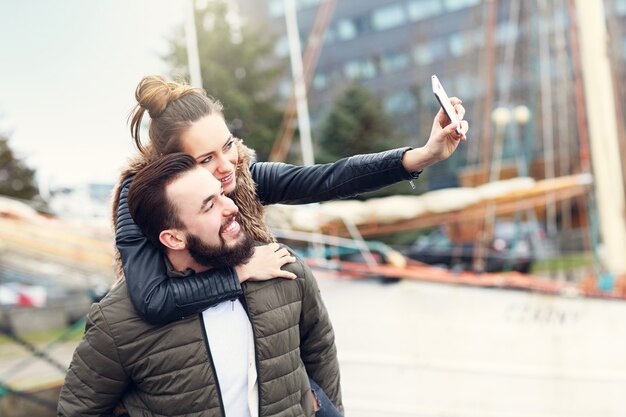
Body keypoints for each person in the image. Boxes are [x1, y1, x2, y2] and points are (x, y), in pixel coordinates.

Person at [114, 75, 469, 325]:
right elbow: (151, 299)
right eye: (206, 159)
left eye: (227, 146)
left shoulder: (243, 178)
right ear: (171, 165)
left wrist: (422, 156)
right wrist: (242, 271)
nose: (227, 166)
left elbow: (329, 178)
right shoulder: (140, 201)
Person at [58, 153, 342, 417]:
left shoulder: (282, 267)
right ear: (174, 239)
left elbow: (321, 354)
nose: (230, 207)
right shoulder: (117, 321)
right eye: (209, 206)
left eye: (221, 194)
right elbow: (78, 411)